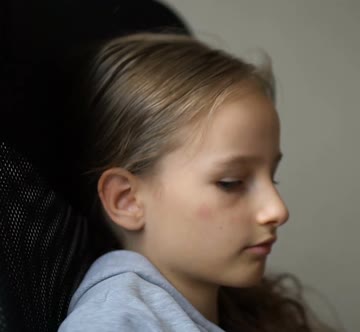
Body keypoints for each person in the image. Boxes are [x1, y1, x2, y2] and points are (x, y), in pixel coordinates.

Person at [58, 33, 332, 332]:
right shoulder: (116, 321)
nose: (278, 210)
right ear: (127, 200)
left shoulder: (244, 307)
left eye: (272, 176)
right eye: (231, 182)